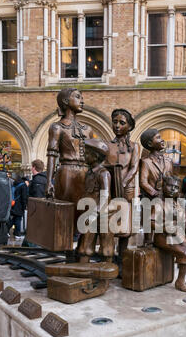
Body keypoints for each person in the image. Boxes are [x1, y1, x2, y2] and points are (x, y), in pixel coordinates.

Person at [45, 88, 107, 254]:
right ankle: (65, 251)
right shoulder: (57, 127)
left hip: (86, 173)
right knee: (66, 212)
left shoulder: (87, 129)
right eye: (78, 97)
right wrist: (48, 181)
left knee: (86, 211)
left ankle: (82, 250)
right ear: (65, 101)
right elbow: (52, 154)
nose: (82, 100)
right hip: (66, 172)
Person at [152, 175, 186, 292]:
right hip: (162, 237)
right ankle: (180, 281)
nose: (173, 189)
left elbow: (185, 222)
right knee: (185, 252)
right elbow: (151, 223)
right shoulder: (158, 203)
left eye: (176, 187)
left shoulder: (177, 204)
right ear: (163, 186)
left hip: (178, 236)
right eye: (170, 186)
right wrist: (166, 228)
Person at [77, 139, 114, 263]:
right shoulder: (89, 173)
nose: (84, 155)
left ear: (95, 156)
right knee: (85, 247)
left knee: (106, 248)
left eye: (87, 153)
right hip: (90, 214)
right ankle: (84, 272)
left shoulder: (103, 173)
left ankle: (105, 278)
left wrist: (95, 212)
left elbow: (106, 195)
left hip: (102, 215)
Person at [104, 108, 140, 202]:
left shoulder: (134, 146)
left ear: (129, 127)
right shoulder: (107, 145)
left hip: (127, 189)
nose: (117, 126)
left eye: (122, 123)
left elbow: (134, 168)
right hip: (109, 188)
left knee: (126, 214)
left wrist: (122, 184)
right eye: (115, 122)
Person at [139, 128, 173, 198]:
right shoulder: (146, 161)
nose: (162, 140)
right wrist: (155, 193)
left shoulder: (168, 161)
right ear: (150, 144)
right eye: (158, 138)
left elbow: (171, 179)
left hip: (167, 197)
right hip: (152, 198)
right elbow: (143, 182)